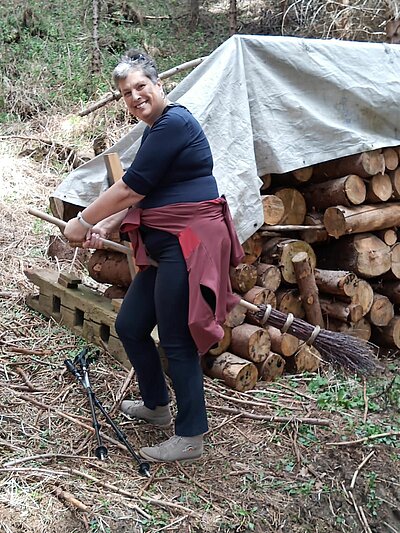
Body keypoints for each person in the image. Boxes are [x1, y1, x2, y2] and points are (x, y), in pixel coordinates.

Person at [64, 49, 244, 463]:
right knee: (130, 324)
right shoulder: (155, 130)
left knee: (177, 340)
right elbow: (146, 194)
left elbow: (130, 187)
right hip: (166, 246)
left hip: (188, 245)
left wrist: (82, 219)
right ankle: (157, 407)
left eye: (141, 86)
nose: (135, 96)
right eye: (127, 93)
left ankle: (191, 437)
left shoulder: (174, 122)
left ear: (158, 84)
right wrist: (105, 226)